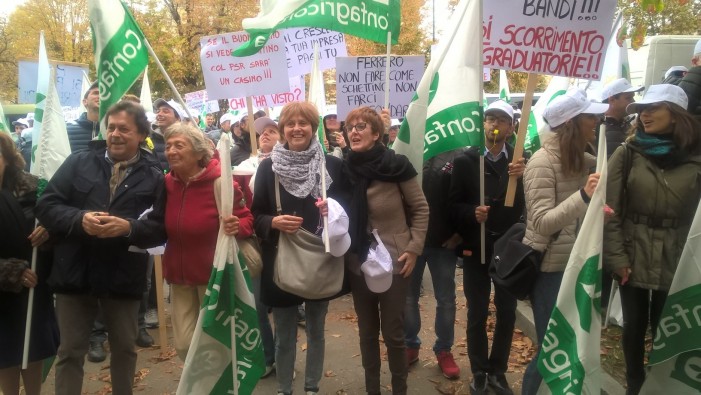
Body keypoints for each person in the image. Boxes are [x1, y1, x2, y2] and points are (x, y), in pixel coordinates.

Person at [35, 101, 166, 395]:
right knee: (70, 351)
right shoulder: (78, 162)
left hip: (123, 276)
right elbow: (47, 205)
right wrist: (79, 219)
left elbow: (159, 229)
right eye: (111, 128)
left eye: (124, 129)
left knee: (124, 349)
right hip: (74, 272)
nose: (115, 134)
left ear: (141, 134)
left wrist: (129, 228)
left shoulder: (155, 176)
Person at [604, 84, 701, 395]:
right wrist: (617, 258)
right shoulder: (627, 153)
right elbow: (610, 210)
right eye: (640, 110)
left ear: (675, 115)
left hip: (679, 254)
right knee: (634, 326)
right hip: (634, 251)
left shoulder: (696, 157)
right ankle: (635, 384)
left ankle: (662, 384)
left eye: (651, 108)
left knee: (669, 325)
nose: (643, 115)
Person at [251, 101, 348, 395]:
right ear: (282, 130)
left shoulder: (332, 166)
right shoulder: (268, 167)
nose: (296, 129)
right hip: (282, 259)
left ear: (313, 127)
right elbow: (255, 216)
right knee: (284, 335)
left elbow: (348, 212)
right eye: (290, 124)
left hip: (321, 259)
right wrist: (273, 222)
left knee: (317, 330)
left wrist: (334, 213)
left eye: (303, 123)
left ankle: (311, 387)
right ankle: (284, 389)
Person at [520, 88, 607, 395]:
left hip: (580, 264)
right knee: (551, 346)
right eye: (590, 117)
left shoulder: (588, 160)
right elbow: (542, 222)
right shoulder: (541, 164)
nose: (595, 122)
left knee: (573, 344)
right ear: (572, 123)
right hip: (550, 270)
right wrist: (583, 195)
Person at [345, 106, 429, 395]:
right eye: (350, 128)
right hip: (359, 262)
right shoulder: (346, 168)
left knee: (394, 335)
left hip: (395, 261)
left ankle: (399, 390)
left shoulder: (396, 165)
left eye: (360, 127)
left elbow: (420, 208)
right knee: (367, 333)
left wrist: (415, 248)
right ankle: (372, 390)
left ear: (377, 134)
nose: (353, 132)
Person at [448, 100, 526, 394]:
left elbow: (526, 206)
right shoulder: (466, 160)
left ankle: (498, 370)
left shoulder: (520, 162)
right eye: (490, 118)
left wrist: (523, 175)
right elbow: (453, 205)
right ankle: (479, 369)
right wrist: (471, 213)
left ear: (510, 127)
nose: (494, 125)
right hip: (476, 247)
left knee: (506, 311)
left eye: (501, 120)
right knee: (477, 310)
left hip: (509, 250)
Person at [161, 122, 253, 360]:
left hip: (214, 278)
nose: (171, 151)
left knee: (216, 347)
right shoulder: (167, 183)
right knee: (184, 346)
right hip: (179, 278)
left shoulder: (222, 182)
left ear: (199, 151)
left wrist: (237, 226)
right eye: (168, 145)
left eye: (179, 145)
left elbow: (246, 220)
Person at [0, 133, 59, 395]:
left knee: (32, 348)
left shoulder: (35, 188)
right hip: (4, 290)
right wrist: (11, 272)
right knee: (4, 355)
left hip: (34, 285)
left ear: (7, 158)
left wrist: (49, 231)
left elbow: (59, 220)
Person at [404, 145, 465, 377]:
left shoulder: (457, 154)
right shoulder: (409, 150)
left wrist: (459, 233)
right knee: (408, 298)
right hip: (412, 242)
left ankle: (444, 350)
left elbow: (466, 195)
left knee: (446, 300)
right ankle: (411, 344)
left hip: (444, 242)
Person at [600, 78, 644, 158]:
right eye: (628, 98)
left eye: (632, 97)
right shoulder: (599, 128)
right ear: (612, 100)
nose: (633, 101)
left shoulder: (625, 124)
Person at [152, 98, 186, 171]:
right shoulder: (147, 139)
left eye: (165, 111)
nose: (159, 114)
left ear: (178, 118)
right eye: (158, 111)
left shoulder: (188, 139)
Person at [66, 81, 100, 152]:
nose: (100, 96)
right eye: (96, 93)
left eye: (104, 94)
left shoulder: (115, 132)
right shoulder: (66, 128)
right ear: (85, 102)